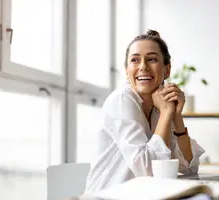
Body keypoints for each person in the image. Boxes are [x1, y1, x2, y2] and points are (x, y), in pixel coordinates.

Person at [84, 30, 205, 193]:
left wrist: (176, 116)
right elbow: (148, 170)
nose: (143, 67)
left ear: (167, 70)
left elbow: (189, 167)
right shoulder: (121, 100)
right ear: (127, 71)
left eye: (152, 59)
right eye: (135, 60)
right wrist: (167, 113)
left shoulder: (159, 106)